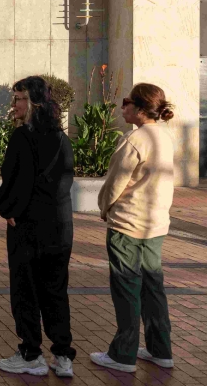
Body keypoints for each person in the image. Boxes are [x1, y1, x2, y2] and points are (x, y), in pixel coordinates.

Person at [0, 76, 77, 378]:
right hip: (59, 226)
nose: (14, 105)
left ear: (35, 102)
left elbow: (17, 181)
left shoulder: (22, 137)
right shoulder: (61, 138)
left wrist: (8, 210)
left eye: (19, 98)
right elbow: (62, 182)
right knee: (55, 291)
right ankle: (63, 356)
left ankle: (31, 354)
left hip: (28, 227)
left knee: (26, 290)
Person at [90, 83, 176, 373]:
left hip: (127, 224)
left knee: (127, 289)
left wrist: (104, 208)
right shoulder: (165, 136)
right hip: (156, 224)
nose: (121, 107)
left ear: (140, 108)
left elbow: (115, 182)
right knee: (153, 288)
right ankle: (160, 350)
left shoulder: (135, 139)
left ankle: (123, 355)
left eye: (126, 102)